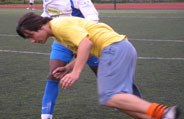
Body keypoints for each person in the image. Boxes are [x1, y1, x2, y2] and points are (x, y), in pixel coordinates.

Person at [16, 12, 181, 119]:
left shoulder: (58, 26)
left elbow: (85, 44)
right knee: (118, 102)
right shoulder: (58, 34)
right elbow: (87, 47)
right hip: (122, 48)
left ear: (40, 26)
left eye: (31, 35)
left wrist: (76, 73)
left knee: (109, 96)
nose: (32, 41)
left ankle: (164, 112)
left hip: (114, 49)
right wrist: (68, 68)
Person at [40, 0, 99, 119]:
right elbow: (47, 15)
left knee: (103, 74)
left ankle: (123, 99)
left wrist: (80, 42)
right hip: (61, 40)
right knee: (54, 74)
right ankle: (46, 116)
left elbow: (93, 17)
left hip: (84, 39)